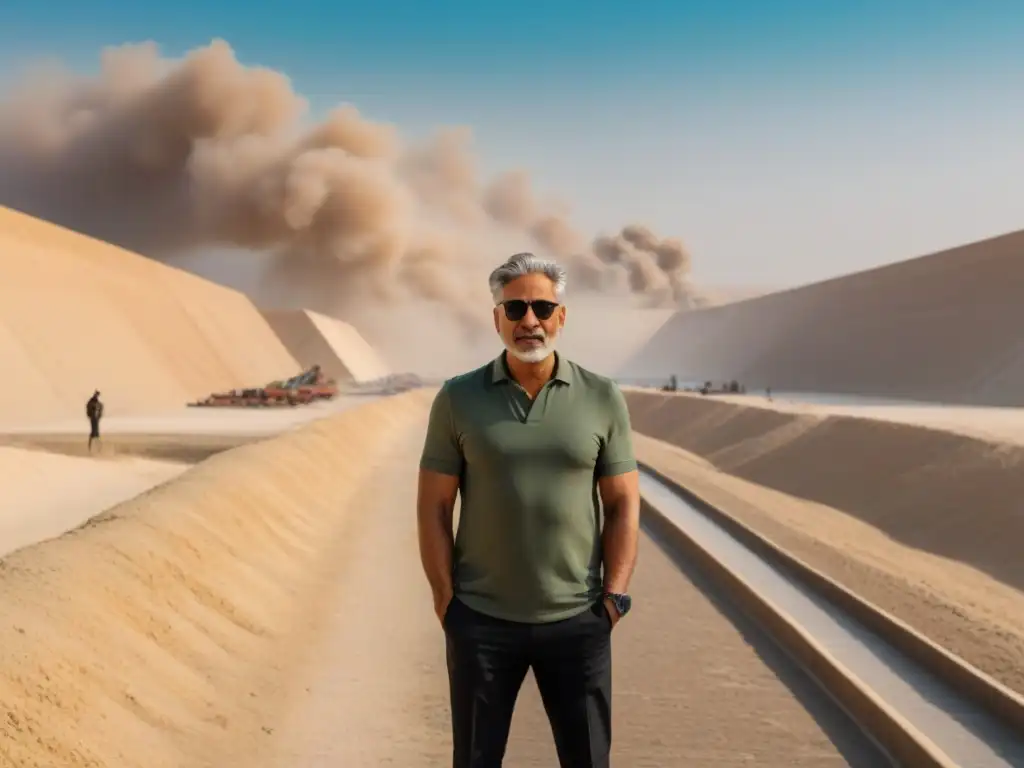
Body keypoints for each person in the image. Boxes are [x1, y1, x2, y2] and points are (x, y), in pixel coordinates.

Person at [417, 252, 641, 767]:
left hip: (579, 620)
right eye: (514, 309)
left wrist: (614, 598)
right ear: (496, 317)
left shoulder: (602, 397)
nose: (529, 321)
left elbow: (623, 503)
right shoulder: (457, 398)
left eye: (542, 307)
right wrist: (448, 601)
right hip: (482, 622)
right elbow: (434, 506)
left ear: (562, 316)